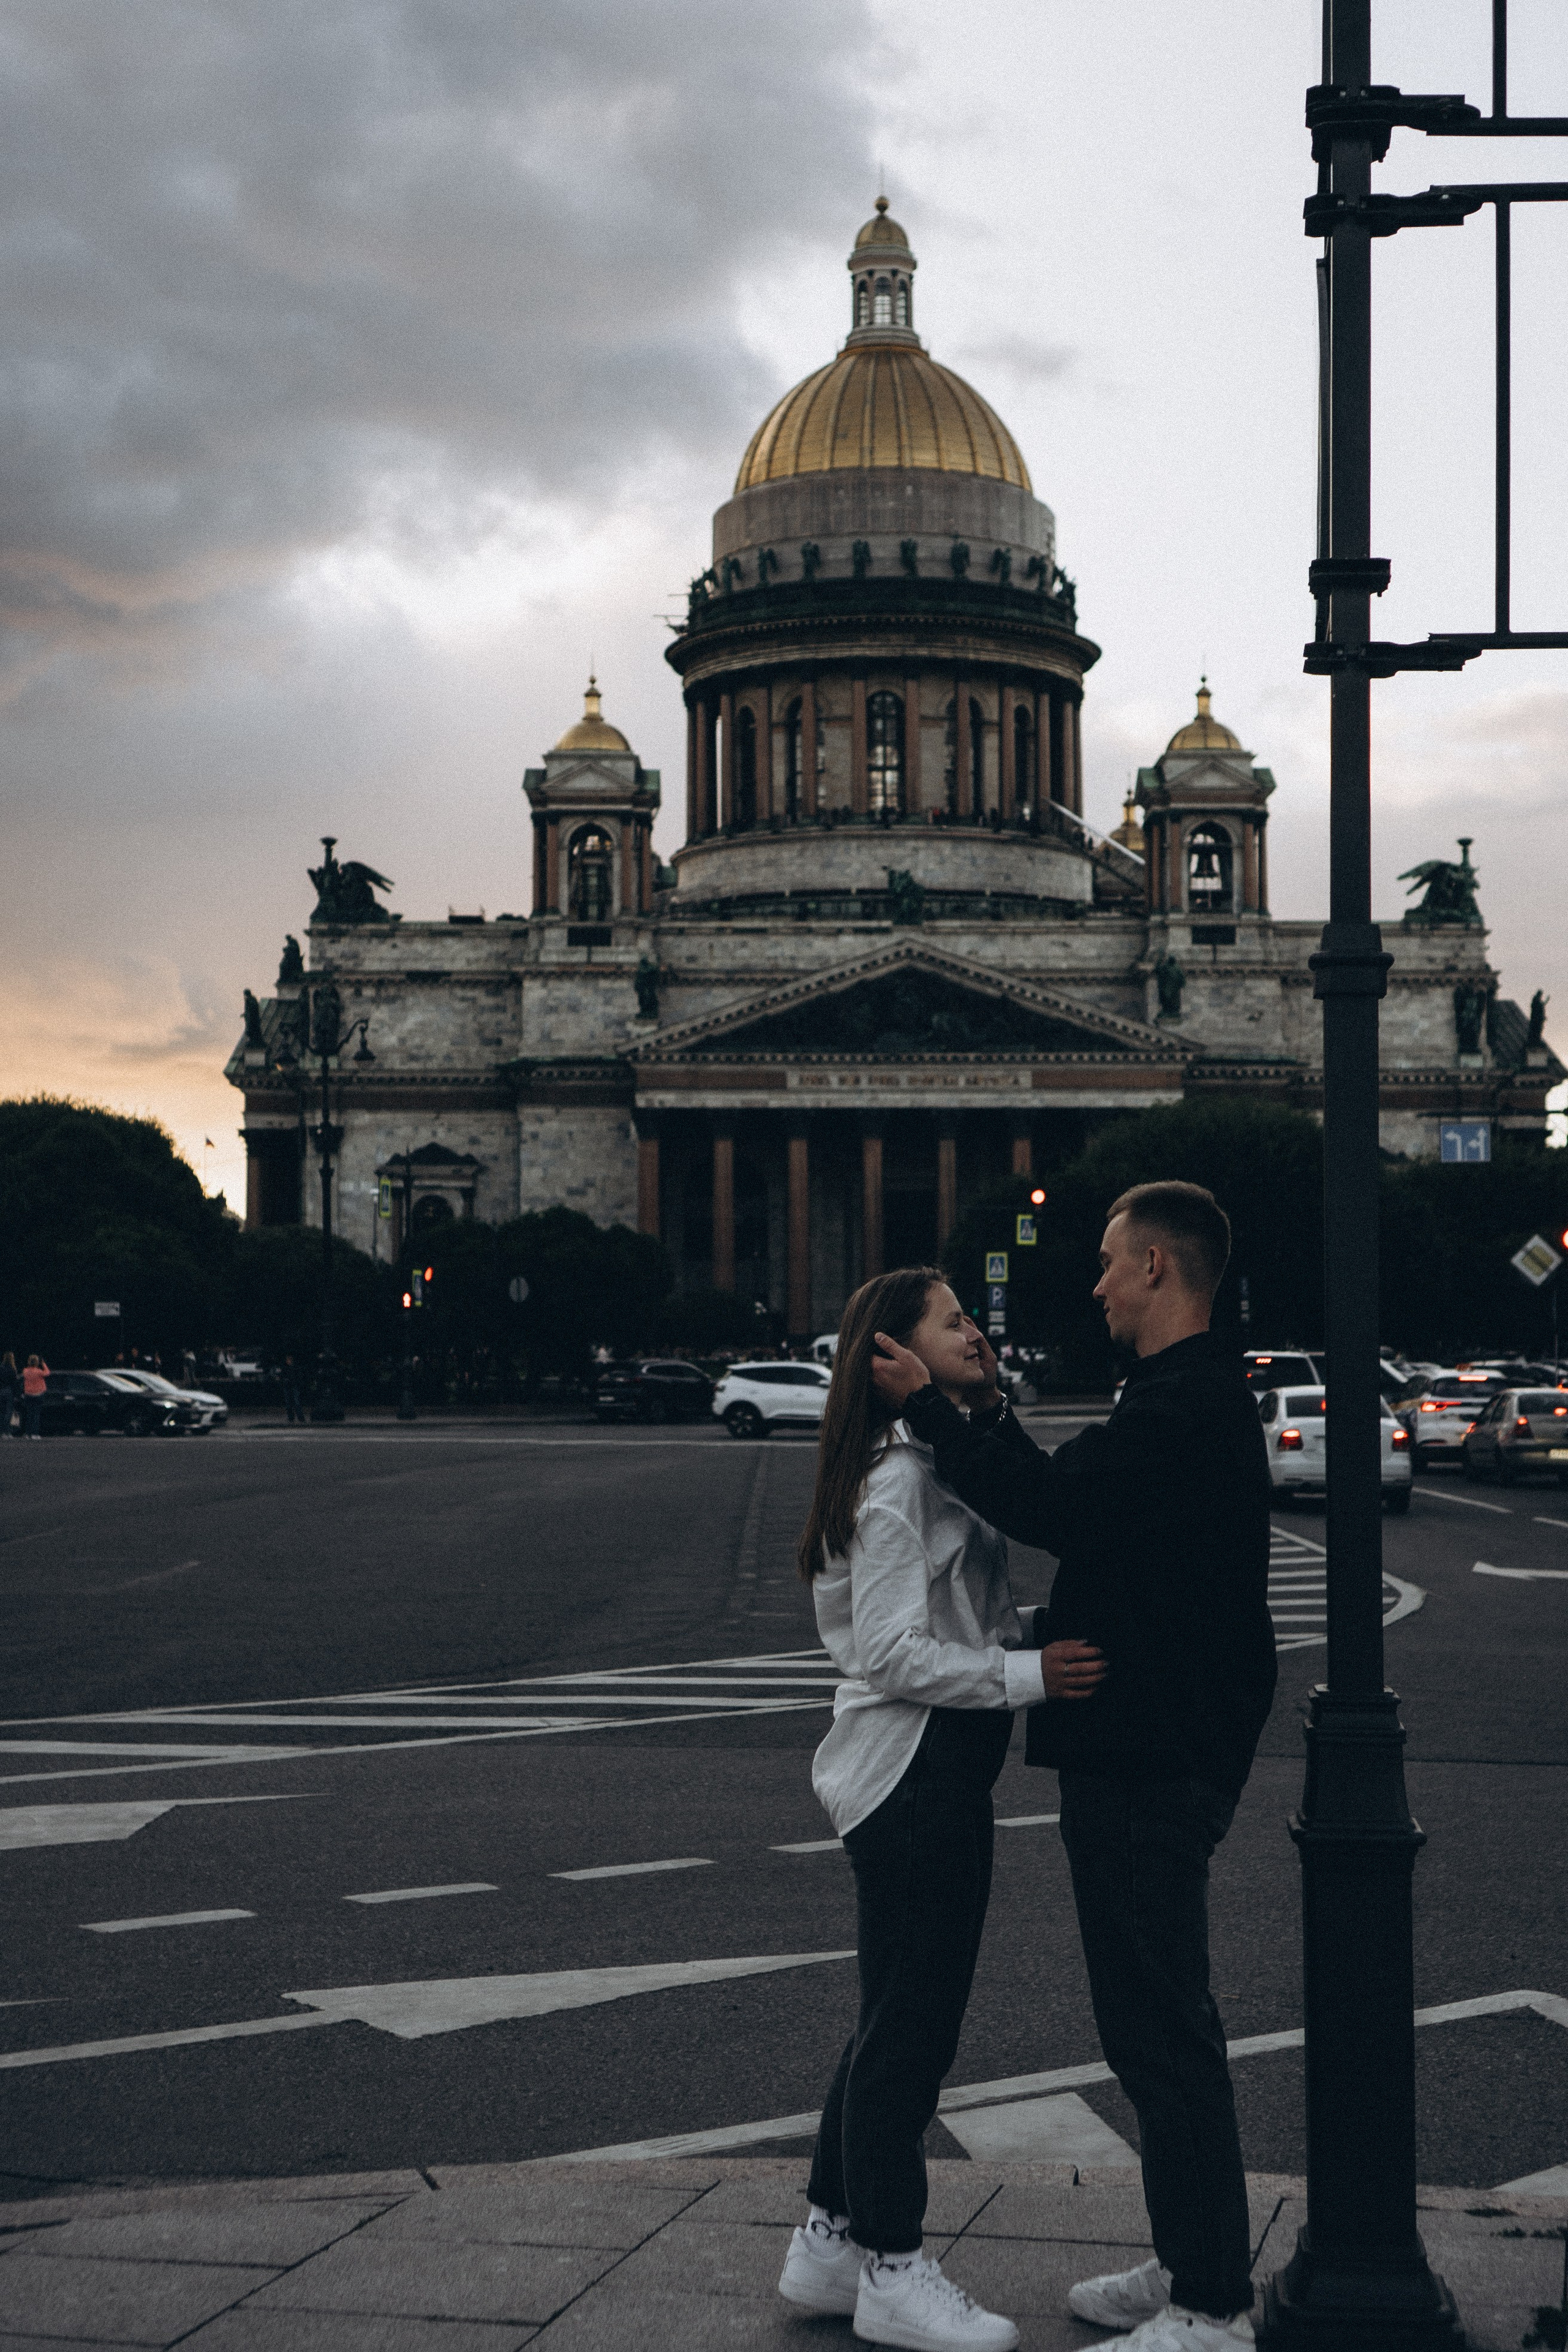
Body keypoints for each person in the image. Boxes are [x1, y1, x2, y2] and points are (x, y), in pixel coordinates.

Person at [872, 1184, 1275, 2352]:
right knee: (1149, 2026)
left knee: (1163, 2032)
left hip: (1155, 1759)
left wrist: (943, 1418)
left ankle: (1210, 2308)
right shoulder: (1177, 1396)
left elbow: (1056, 1505)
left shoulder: (1186, 1404)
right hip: (1144, 1746)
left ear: (1156, 1267)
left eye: (1106, 1263)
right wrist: (992, 1411)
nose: (1092, 1283)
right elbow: (1097, 1521)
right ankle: (1189, 2257)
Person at [779, 1266, 1102, 2352]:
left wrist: (1015, 1645)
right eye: (953, 1319)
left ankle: (828, 2241)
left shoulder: (926, 1457)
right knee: (915, 2031)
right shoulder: (897, 1483)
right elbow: (889, 1653)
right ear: (894, 1355)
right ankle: (891, 2267)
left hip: (930, 1774)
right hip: (910, 1775)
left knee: (891, 2020)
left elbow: (962, 1606)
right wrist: (1028, 1676)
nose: (977, 1328)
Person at [21, 1354, 50, 1441]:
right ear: (37, 1362)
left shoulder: (25, 1371)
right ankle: (35, 1433)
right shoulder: (38, 1372)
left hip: (28, 1394)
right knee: (36, 1415)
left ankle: (28, 1433)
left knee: (29, 1415)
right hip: (38, 1394)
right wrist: (44, 1364)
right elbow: (48, 1373)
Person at [281, 1354, 304, 1424]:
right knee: (290, 1403)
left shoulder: (294, 1368)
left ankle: (298, 1418)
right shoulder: (287, 1368)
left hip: (293, 1386)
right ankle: (293, 1418)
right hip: (289, 1386)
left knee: (295, 1402)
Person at [0, 1351, 18, 1437]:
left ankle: (2, 1432)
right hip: (9, 1392)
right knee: (8, 1413)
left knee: (2, 1413)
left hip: (1, 1391)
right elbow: (15, 1383)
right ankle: (7, 1432)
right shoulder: (12, 1369)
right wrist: (16, 1395)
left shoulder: (1, 1368)